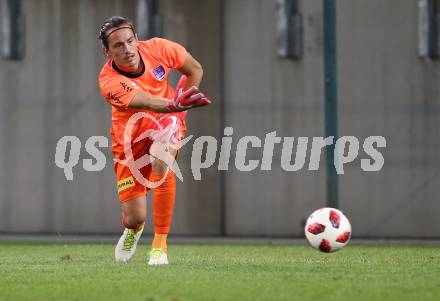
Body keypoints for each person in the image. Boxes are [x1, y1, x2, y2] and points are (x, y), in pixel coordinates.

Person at [97, 16, 210, 265]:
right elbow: (146, 101)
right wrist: (175, 104)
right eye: (118, 46)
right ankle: (134, 231)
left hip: (165, 122)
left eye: (130, 41)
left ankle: (160, 246)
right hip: (129, 140)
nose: (127, 50)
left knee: (162, 159)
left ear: (137, 38)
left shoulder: (159, 48)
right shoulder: (108, 81)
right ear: (107, 52)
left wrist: (179, 113)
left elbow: (195, 69)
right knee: (134, 217)